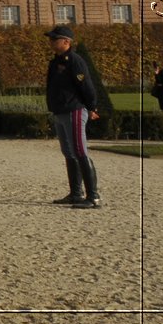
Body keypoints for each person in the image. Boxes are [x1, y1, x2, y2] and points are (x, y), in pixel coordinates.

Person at [44, 25, 101, 209]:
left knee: (80, 150)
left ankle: (93, 196)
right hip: (60, 110)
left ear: (66, 42)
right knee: (68, 152)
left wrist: (92, 107)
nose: (51, 42)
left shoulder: (74, 61)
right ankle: (76, 193)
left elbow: (86, 86)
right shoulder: (56, 61)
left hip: (74, 109)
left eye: (55, 39)